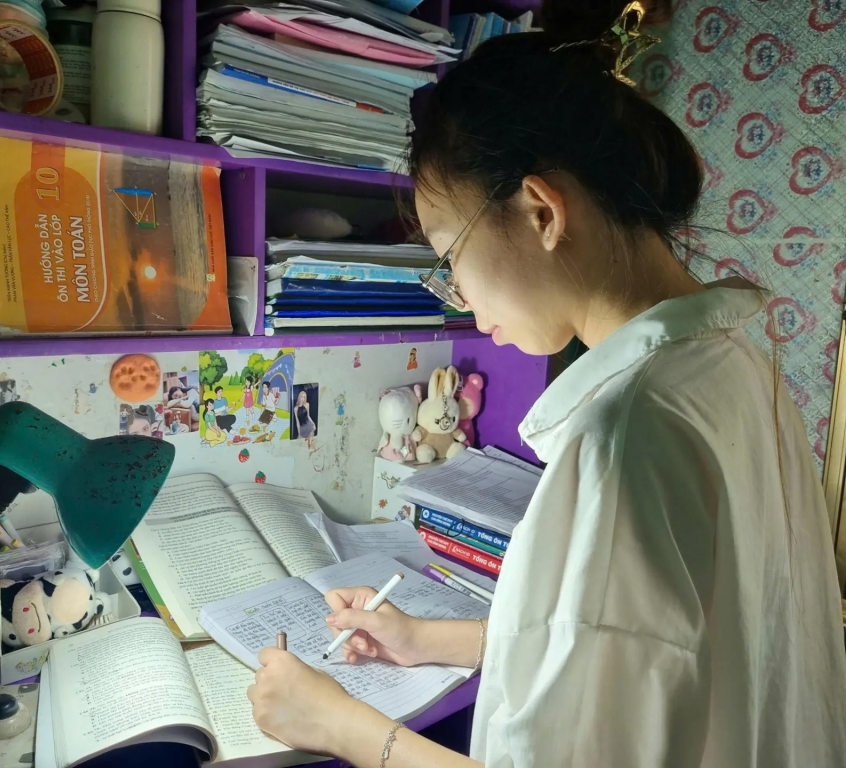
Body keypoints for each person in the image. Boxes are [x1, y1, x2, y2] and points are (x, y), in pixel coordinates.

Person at [245, 2, 846, 767]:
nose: (459, 298)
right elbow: (630, 650)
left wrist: (337, 725)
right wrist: (425, 638)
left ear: (541, 212)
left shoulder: (626, 432)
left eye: (448, 258)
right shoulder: (731, 360)